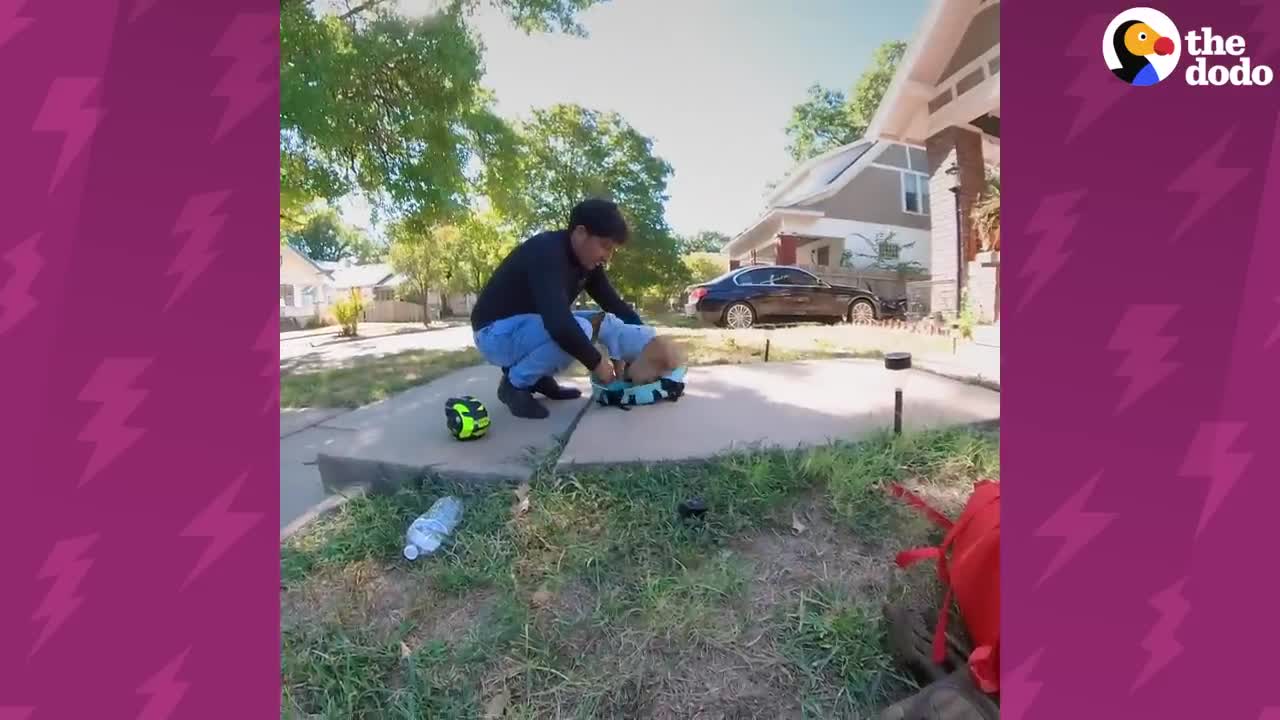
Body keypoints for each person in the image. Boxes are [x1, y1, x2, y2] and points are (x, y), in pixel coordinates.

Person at [470, 198, 645, 419]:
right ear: (581, 233)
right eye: (605, 246)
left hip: (523, 329)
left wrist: (646, 341)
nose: (607, 257)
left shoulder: (588, 265)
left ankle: (538, 379)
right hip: (493, 335)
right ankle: (514, 385)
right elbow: (559, 325)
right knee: (579, 328)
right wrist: (597, 363)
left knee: (604, 321)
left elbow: (615, 306)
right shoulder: (547, 251)